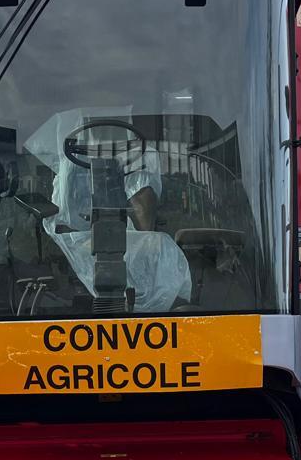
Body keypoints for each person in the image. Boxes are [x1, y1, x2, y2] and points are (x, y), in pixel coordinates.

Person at [21, 107, 191, 312]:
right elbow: (61, 217)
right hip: (77, 242)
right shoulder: (68, 165)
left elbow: (144, 223)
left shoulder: (143, 158)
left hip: (121, 244)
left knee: (158, 246)